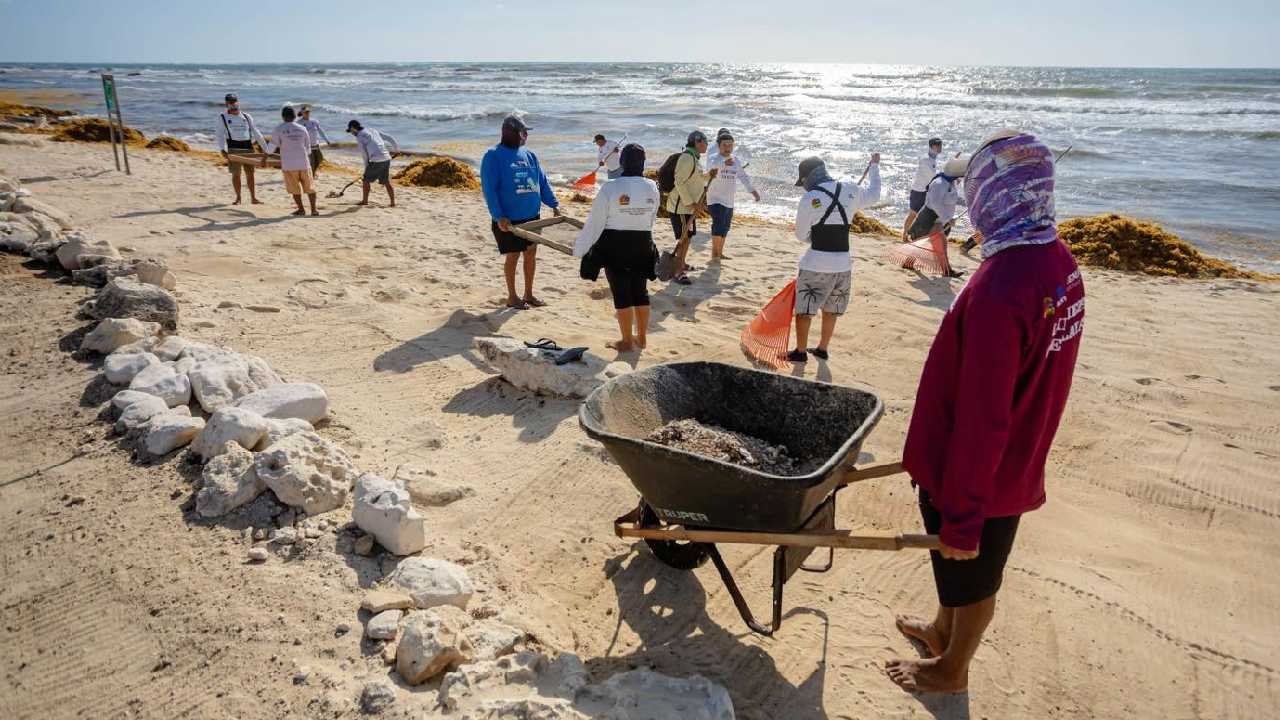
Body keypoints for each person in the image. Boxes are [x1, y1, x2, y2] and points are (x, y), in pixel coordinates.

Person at [885, 131, 1085, 694]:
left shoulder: (1004, 286)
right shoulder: (1055, 257)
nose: (971, 199)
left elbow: (983, 415)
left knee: (971, 571)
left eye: (976, 187)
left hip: (974, 471)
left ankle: (951, 669)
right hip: (1015, 456)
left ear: (995, 195)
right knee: (959, 575)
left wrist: (966, 516)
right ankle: (940, 630)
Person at [787, 153, 881, 363]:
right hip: (843, 266)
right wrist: (874, 167)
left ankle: (800, 352)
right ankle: (822, 349)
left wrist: (815, 235)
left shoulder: (809, 198)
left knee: (805, 311)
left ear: (807, 178)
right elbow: (875, 194)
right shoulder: (850, 189)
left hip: (815, 264)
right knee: (831, 309)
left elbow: (801, 235)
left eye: (803, 182)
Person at [573, 143, 659, 351]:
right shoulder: (652, 186)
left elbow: (596, 223)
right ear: (643, 163)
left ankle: (627, 341)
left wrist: (580, 249)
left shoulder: (610, 187)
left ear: (621, 162)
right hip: (643, 243)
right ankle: (642, 338)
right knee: (640, 290)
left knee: (622, 292)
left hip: (616, 245)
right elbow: (651, 218)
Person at [480, 115, 561, 309]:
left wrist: (554, 204)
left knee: (531, 253)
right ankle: (512, 297)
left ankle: (529, 294)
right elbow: (489, 189)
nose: (526, 136)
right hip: (509, 220)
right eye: (523, 133)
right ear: (510, 133)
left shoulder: (530, 155)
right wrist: (498, 216)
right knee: (513, 255)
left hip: (532, 216)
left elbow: (541, 182)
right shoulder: (493, 155)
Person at [905, 154, 969, 278]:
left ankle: (910, 262)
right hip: (929, 219)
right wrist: (947, 219)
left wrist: (969, 202)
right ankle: (946, 270)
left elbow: (953, 198)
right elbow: (935, 203)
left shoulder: (950, 183)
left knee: (931, 243)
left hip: (938, 221)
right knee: (929, 242)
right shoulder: (939, 183)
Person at [664, 130, 714, 285]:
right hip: (681, 207)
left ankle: (682, 263)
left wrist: (709, 175)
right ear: (698, 142)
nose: (707, 145)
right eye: (705, 142)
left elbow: (696, 178)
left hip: (689, 208)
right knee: (684, 238)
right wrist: (690, 203)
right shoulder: (687, 158)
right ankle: (678, 272)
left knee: (688, 236)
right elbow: (679, 181)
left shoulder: (694, 158)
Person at [704, 128, 760, 262]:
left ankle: (720, 253)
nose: (728, 148)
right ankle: (714, 254)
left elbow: (743, 176)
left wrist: (753, 191)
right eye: (725, 145)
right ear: (718, 146)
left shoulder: (736, 160)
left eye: (730, 145)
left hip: (729, 199)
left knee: (725, 227)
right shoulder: (713, 158)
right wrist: (724, 164)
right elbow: (710, 171)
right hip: (715, 199)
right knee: (718, 225)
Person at [215, 93, 268, 205]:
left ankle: (253, 198)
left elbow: (256, 133)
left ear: (237, 102)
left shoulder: (247, 116)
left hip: (248, 148)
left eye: (234, 101)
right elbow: (219, 134)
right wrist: (222, 149)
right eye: (230, 102)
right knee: (236, 174)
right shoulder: (222, 117)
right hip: (233, 148)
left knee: (250, 174)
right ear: (226, 104)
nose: (233, 104)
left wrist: (265, 149)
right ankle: (238, 198)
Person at [266, 105, 318, 217]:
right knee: (310, 188)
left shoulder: (279, 129)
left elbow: (271, 147)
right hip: (304, 163)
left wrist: (264, 158)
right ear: (294, 116)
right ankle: (314, 210)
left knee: (294, 189)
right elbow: (308, 148)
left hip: (289, 164)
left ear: (283, 117)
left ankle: (301, 209)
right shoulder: (302, 128)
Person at [346, 120, 398, 207]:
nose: (351, 133)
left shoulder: (359, 136)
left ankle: (365, 201)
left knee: (366, 180)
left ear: (353, 128)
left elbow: (364, 154)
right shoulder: (372, 130)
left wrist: (366, 167)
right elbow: (389, 138)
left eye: (350, 131)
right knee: (387, 181)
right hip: (386, 158)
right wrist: (396, 150)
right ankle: (392, 203)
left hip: (376, 159)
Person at [903, 138, 942, 241]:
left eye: (941, 145)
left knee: (923, 216)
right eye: (939, 146)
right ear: (933, 146)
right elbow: (933, 176)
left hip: (926, 191)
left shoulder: (932, 159)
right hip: (918, 191)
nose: (940, 148)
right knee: (913, 214)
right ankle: (905, 236)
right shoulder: (926, 159)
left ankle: (916, 237)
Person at [298, 104, 333, 177]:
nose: (307, 113)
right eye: (305, 112)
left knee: (320, 159)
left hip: (316, 145)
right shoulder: (299, 123)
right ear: (302, 113)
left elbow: (320, 131)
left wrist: (327, 140)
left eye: (308, 112)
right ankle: (312, 175)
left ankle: (312, 173)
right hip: (307, 146)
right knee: (312, 162)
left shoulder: (315, 121)